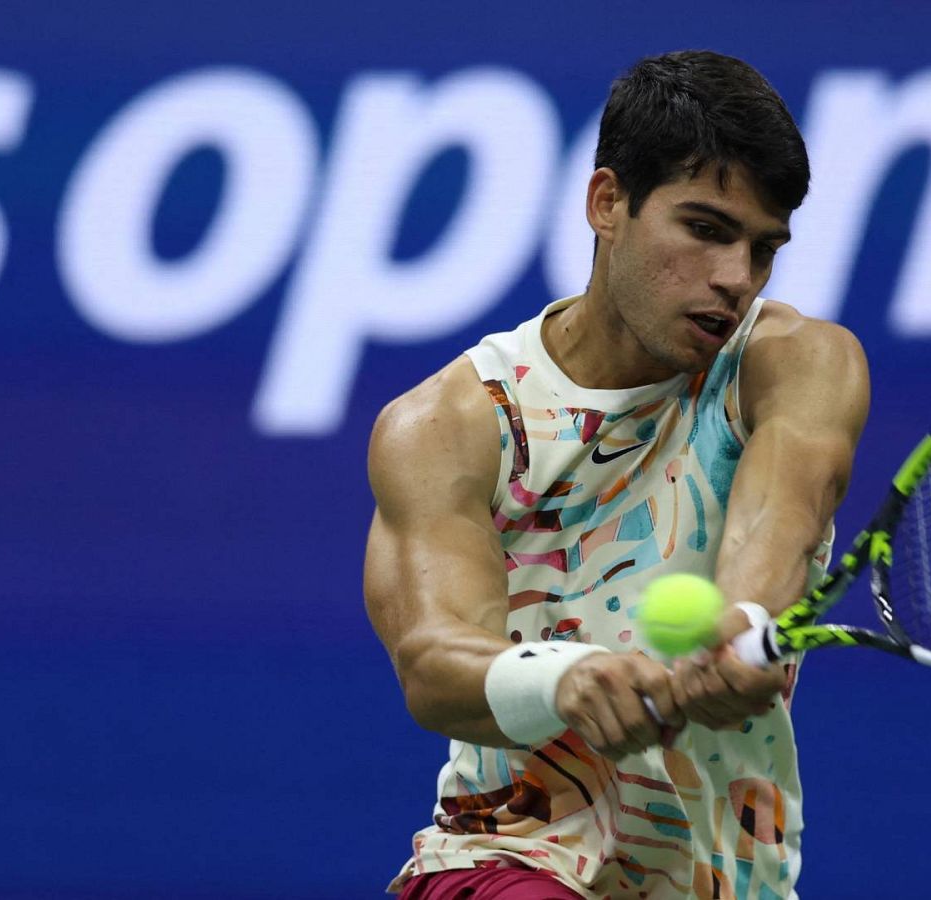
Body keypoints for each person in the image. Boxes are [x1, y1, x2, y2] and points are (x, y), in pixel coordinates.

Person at [364, 50, 870, 899]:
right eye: (705, 229)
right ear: (608, 204)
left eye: (762, 248)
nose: (735, 279)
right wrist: (564, 678)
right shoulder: (454, 423)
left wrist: (742, 625)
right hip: (508, 861)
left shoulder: (797, 365)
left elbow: (779, 516)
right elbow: (432, 661)